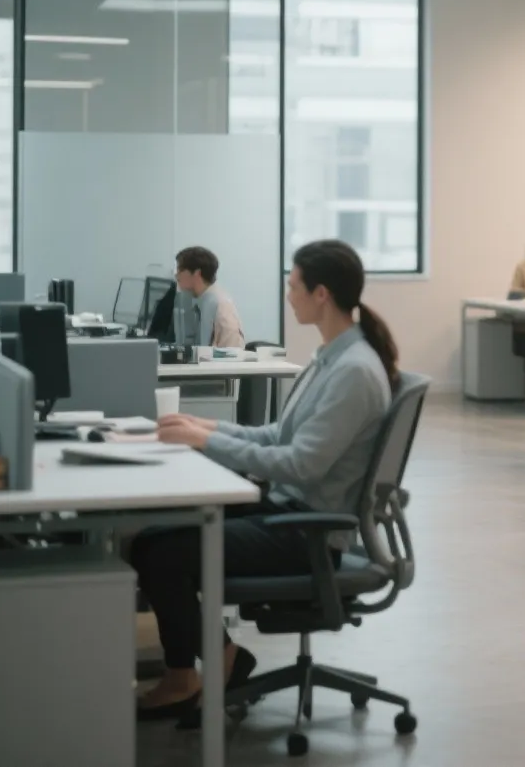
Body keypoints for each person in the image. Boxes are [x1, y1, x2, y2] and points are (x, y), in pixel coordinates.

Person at [130, 239, 395, 720]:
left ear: (321, 294)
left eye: (293, 285)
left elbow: (299, 464)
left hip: (308, 531)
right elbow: (279, 434)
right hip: (289, 512)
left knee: (164, 553)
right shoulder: (332, 357)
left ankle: (196, 671)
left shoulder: (354, 371)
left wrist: (203, 443)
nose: (287, 294)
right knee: (150, 538)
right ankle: (210, 663)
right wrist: (207, 426)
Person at [173, 245, 245, 350]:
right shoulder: (200, 301)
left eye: (180, 270)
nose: (176, 276)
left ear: (197, 273)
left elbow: (233, 356)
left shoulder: (221, 305)